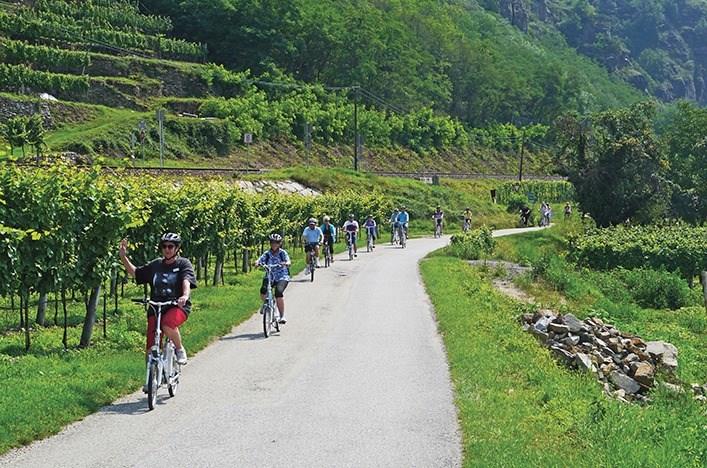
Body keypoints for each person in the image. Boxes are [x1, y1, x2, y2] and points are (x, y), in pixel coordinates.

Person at [119, 233, 196, 368]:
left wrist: (184, 296)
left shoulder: (183, 264)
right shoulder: (156, 265)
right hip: (156, 306)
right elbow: (136, 273)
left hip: (176, 305)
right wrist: (123, 257)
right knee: (151, 344)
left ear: (177, 248)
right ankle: (151, 375)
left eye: (170, 246)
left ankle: (179, 349)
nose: (167, 249)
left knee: (167, 324)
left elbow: (186, 281)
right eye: (164, 246)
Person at [256, 234, 292, 324]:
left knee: (278, 292)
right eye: (272, 242)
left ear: (280, 243)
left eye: (276, 242)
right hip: (270, 276)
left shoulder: (282, 253)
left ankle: (282, 316)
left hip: (282, 276)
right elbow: (260, 259)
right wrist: (257, 263)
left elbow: (288, 261)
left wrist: (286, 263)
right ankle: (266, 304)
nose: (274, 244)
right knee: (263, 290)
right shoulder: (267, 254)